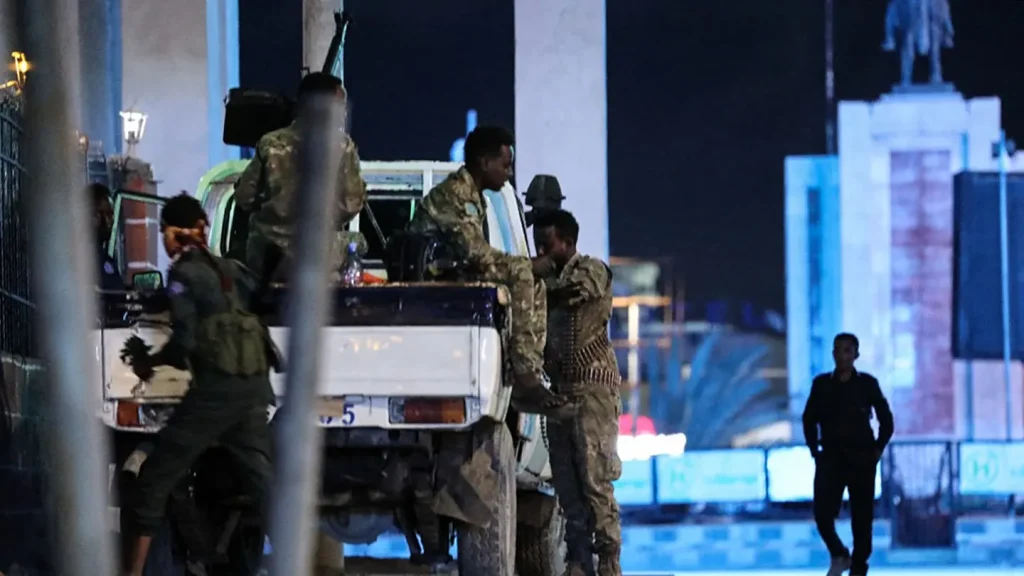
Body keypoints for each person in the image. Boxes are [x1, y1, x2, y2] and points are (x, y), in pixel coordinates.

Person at [119, 194, 273, 576]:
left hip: (214, 394)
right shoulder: (232, 270)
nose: (165, 241)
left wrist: (148, 362)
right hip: (254, 389)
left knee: (155, 480)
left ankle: (132, 573)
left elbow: (185, 340)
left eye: (165, 231)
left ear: (174, 233)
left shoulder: (182, 275)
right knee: (266, 488)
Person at [408, 125, 575, 420]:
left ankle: (528, 372)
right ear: (485, 163)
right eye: (505, 165)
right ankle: (525, 378)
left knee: (530, 278)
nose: (509, 173)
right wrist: (527, 266)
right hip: (430, 280)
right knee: (524, 274)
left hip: (448, 276)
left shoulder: (473, 195)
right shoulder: (457, 195)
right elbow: (478, 256)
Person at [533, 209, 622, 576]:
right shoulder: (543, 280)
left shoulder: (591, 270)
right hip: (562, 391)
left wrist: (532, 280)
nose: (541, 250)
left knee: (595, 478)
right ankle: (578, 558)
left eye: (547, 244)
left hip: (593, 390)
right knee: (567, 483)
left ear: (567, 242)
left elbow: (575, 294)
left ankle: (609, 560)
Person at [234, 71, 367, 285]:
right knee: (358, 242)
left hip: (268, 260)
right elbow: (351, 204)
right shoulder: (342, 146)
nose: (342, 113)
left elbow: (244, 197)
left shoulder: (270, 143)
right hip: (317, 258)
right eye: (340, 104)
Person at [802, 333, 895, 576]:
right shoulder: (821, 384)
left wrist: (877, 449)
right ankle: (840, 554)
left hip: (862, 460)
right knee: (822, 516)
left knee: (862, 522)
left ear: (855, 355)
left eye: (846, 350)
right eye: (837, 350)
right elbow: (808, 419)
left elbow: (887, 421)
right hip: (830, 459)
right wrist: (815, 451)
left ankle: (858, 570)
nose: (841, 355)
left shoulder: (867, 384)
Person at [89, 182, 125, 290]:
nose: (112, 221)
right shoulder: (82, 259)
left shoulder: (104, 256)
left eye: (113, 215)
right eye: (108, 214)